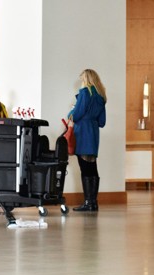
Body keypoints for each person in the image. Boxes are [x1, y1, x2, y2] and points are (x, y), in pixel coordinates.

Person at [68, 69, 106, 212]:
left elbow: (76, 116)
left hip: (82, 132)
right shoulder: (101, 97)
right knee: (92, 167)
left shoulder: (85, 93)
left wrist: (71, 111)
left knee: (84, 168)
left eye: (82, 78)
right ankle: (93, 202)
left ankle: (88, 202)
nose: (81, 81)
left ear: (86, 79)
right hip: (93, 133)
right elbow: (102, 122)